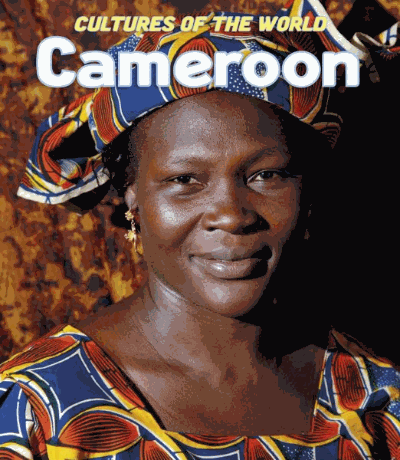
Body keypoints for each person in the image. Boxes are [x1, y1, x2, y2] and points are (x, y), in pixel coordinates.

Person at [1, 1, 400, 459]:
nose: (230, 215)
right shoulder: (36, 411)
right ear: (132, 199)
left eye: (266, 175)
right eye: (184, 180)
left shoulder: (377, 400)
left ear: (308, 193)